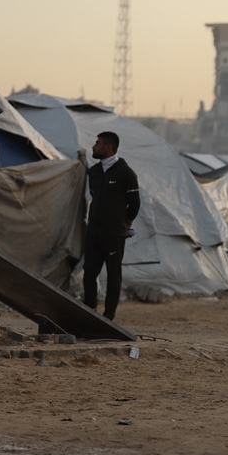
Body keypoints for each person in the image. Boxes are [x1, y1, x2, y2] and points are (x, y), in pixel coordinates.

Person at [82, 131, 139, 321]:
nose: (93, 146)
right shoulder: (95, 172)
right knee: (90, 272)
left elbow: (135, 202)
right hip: (94, 231)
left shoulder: (125, 173)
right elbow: (93, 195)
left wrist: (126, 221)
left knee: (114, 275)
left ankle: (108, 317)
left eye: (97, 143)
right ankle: (90, 312)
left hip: (114, 234)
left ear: (108, 147)